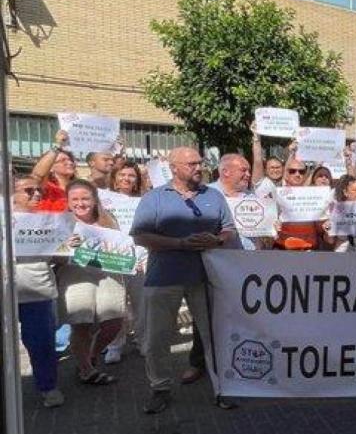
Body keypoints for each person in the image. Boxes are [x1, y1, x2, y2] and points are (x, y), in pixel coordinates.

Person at [130, 146, 237, 414]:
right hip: (163, 277)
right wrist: (178, 243)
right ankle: (160, 388)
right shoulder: (154, 198)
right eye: (191, 164)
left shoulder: (214, 196)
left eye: (199, 163)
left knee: (214, 334)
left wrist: (217, 239)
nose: (198, 168)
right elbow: (140, 236)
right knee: (158, 337)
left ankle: (222, 387)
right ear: (173, 167)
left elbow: (229, 229)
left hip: (206, 277)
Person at [58, 179, 125, 386]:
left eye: (85, 198)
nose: (80, 203)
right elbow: (54, 258)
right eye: (74, 199)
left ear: (95, 200)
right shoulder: (59, 222)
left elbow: (122, 247)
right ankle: (86, 369)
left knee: (114, 322)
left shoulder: (108, 220)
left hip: (108, 273)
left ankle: (92, 356)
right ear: (67, 201)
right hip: (75, 276)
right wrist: (65, 247)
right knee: (81, 324)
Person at [11, 175, 65, 407]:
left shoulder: (49, 222)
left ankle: (48, 387)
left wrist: (67, 245)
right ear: (11, 195)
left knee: (41, 342)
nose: (36, 195)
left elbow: (60, 256)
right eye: (28, 191)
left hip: (37, 290)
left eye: (38, 191)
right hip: (7, 292)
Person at [103, 161, 149, 364]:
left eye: (131, 175)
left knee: (142, 304)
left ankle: (143, 341)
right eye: (122, 175)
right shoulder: (103, 198)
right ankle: (114, 345)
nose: (126, 179)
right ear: (114, 178)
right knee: (116, 306)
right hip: (113, 258)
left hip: (140, 257)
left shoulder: (143, 200)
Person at [274, 154, 327, 251]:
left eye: (301, 172)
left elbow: (321, 225)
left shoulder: (315, 195)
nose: (297, 174)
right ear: (286, 173)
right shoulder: (276, 194)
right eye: (292, 171)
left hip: (310, 250)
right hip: (283, 249)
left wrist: (325, 224)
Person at [30, 129, 76, 212]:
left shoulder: (79, 187)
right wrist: (59, 145)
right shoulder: (46, 188)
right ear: (50, 167)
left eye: (70, 160)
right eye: (63, 160)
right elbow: (37, 175)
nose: (69, 163)